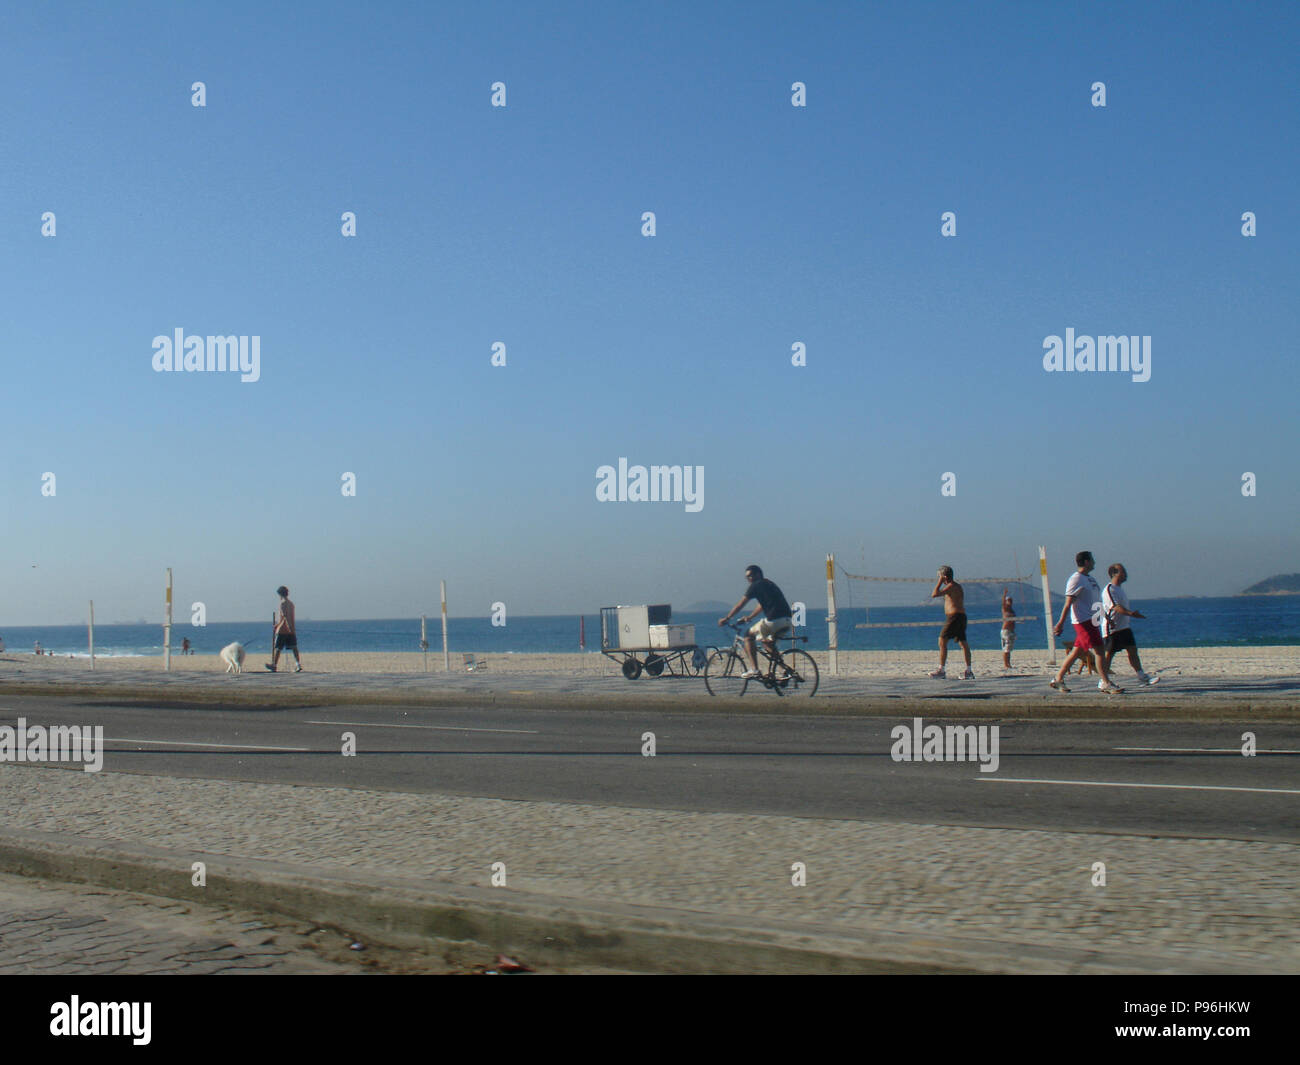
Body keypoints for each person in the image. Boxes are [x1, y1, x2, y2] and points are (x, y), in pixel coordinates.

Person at [1051, 551, 1121, 693]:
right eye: (1092, 560)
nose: (1095, 562)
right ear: (1087, 561)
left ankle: (1058, 679)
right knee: (1100, 651)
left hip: (1093, 619)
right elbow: (1068, 603)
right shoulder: (1075, 579)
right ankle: (1105, 682)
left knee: (1077, 652)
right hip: (1083, 621)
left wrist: (1106, 618)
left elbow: (1096, 602)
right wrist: (1060, 623)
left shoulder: (1091, 580)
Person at [718, 565, 793, 679]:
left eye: (750, 576)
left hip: (774, 620)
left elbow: (741, 604)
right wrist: (750, 617)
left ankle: (754, 670)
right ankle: (785, 671)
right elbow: (762, 605)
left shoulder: (755, 585)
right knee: (767, 643)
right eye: (747, 577)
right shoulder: (769, 583)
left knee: (748, 636)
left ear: (758, 574)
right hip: (787, 621)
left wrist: (727, 618)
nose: (749, 579)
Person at [1101, 563, 1157, 686]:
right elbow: (1116, 607)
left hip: (1124, 627)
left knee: (1132, 650)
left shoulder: (1120, 590)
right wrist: (1131, 613)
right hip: (1113, 628)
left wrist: (1130, 615)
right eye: (1123, 571)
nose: (1126, 574)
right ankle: (1103, 680)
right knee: (1109, 654)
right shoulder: (1110, 589)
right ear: (1115, 574)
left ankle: (1141, 675)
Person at [929, 567, 973, 679]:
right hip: (960, 616)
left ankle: (941, 670)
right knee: (963, 643)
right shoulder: (956, 586)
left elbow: (934, 594)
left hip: (954, 617)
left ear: (944, 576)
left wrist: (939, 582)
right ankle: (968, 671)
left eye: (940, 576)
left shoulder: (951, 586)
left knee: (942, 641)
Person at [266, 585, 302, 672]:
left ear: (280, 594)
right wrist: (289, 627)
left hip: (283, 629)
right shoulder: (291, 604)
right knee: (294, 647)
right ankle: (298, 664)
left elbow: (284, 616)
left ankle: (274, 665)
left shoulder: (283, 604)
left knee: (278, 648)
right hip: (291, 629)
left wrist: (282, 625)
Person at [1000, 587, 1016, 671]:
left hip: (1011, 631)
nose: (1010, 602)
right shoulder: (1005, 609)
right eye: (1008, 600)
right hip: (1006, 631)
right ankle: (1005, 664)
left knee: (1009, 649)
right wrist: (1004, 594)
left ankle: (1008, 663)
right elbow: (1002, 602)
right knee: (1006, 648)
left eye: (1011, 600)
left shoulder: (1011, 610)